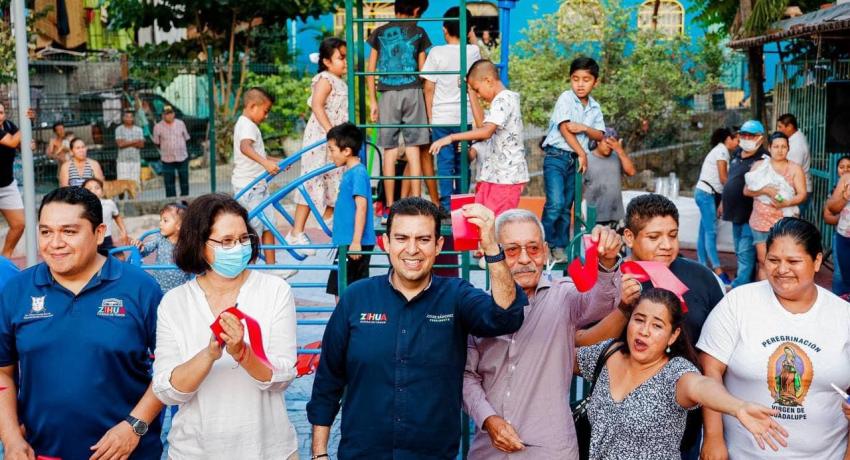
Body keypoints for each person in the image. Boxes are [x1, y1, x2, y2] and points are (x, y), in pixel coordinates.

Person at [307, 197, 528, 459]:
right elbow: (327, 382)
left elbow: (506, 317)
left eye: (423, 239)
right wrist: (319, 454)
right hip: (361, 453)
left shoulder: (456, 296)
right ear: (386, 243)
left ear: (438, 245)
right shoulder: (356, 298)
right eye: (401, 238)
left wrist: (491, 245)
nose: (412, 249)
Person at [0, 186, 164, 459]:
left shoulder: (140, 288)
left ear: (99, 233)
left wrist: (135, 426)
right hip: (44, 453)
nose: (55, 242)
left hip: (129, 453)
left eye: (69, 231)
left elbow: (171, 369)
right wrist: (11, 439)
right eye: (46, 232)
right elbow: (3, 372)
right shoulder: (17, 291)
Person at [463, 208, 634, 459]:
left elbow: (599, 302)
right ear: (495, 253)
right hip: (489, 449)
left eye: (532, 249)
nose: (524, 259)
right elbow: (466, 376)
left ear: (544, 251)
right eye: (511, 250)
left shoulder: (563, 295)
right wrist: (489, 420)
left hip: (551, 449)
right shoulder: (478, 307)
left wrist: (607, 263)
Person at [152, 194, 298, 459]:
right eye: (227, 241)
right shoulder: (175, 304)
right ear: (199, 243)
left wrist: (243, 352)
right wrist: (209, 354)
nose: (239, 247)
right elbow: (167, 389)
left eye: (244, 239)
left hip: (268, 450)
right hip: (194, 451)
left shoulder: (275, 291)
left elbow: (283, 375)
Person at [698, 217, 850, 460]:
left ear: (817, 260)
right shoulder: (738, 303)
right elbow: (710, 371)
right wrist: (713, 438)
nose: (782, 270)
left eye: (793, 261)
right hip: (743, 454)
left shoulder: (843, 316)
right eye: (773, 260)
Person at [577, 288, 787, 460]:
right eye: (639, 320)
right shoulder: (608, 353)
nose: (644, 331)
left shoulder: (675, 372)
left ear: (673, 335)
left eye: (657, 325)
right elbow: (556, 357)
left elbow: (701, 387)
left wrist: (737, 407)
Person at [622, 193, 726, 458]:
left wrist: (714, 435)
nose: (667, 245)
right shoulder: (615, 282)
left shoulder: (702, 278)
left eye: (673, 234)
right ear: (629, 237)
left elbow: (715, 358)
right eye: (654, 237)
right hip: (624, 421)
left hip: (689, 423)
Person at [430, 59, 528, 219]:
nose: (479, 95)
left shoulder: (504, 99)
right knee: (481, 220)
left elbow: (486, 131)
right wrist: (470, 92)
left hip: (506, 178)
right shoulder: (499, 101)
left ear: (488, 80)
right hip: (494, 175)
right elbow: (483, 123)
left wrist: (451, 138)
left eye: (478, 89)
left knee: (495, 224)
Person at [367, 0, 432, 216]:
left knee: (389, 149)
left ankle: (389, 205)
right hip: (413, 91)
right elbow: (423, 70)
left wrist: (373, 101)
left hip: (386, 93)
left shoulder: (379, 32)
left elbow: (370, 70)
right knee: (414, 147)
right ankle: (416, 199)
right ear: (415, 10)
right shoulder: (419, 32)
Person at [539, 57, 606, 263]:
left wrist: (585, 128)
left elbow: (600, 135)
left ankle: (559, 246)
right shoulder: (566, 98)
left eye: (586, 79)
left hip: (575, 162)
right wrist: (583, 153)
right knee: (555, 203)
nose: (580, 84)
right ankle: (542, 243)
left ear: (595, 82)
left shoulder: (594, 107)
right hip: (557, 157)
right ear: (570, 80)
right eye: (575, 79)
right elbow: (565, 128)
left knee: (567, 206)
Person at [288, 38, 348, 255]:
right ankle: (296, 232)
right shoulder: (325, 79)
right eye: (341, 58)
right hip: (321, 139)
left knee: (335, 176)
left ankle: (329, 217)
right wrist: (331, 132)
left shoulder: (340, 81)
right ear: (326, 61)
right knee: (312, 180)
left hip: (335, 141)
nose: (345, 62)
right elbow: (316, 105)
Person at [422, 6, 482, 212]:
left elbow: (429, 88)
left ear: (444, 29)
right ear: (468, 30)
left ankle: (447, 206)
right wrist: (470, 34)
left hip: (441, 118)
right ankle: (463, 204)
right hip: (464, 118)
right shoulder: (473, 51)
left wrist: (430, 118)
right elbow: (482, 58)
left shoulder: (436, 52)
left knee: (445, 163)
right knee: (463, 162)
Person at [231, 87, 289, 274]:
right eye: (265, 111)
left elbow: (255, 153)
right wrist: (265, 163)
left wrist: (274, 162)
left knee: (269, 225)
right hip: (249, 187)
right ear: (252, 106)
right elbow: (245, 147)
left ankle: (272, 268)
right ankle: (250, 270)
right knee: (253, 229)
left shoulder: (249, 125)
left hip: (259, 186)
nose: (266, 116)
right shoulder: (247, 125)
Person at [744, 132, 806, 281]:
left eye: (783, 146)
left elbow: (802, 194)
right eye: (776, 146)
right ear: (770, 148)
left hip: (784, 223)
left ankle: (780, 291)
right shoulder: (760, 166)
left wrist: (787, 203)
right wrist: (765, 190)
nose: (780, 150)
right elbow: (746, 191)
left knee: (782, 261)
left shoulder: (795, 169)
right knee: (763, 261)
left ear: (788, 148)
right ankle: (765, 296)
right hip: (760, 221)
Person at [324, 123, 376, 299]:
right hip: (348, 242)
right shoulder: (351, 172)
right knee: (340, 288)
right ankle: (346, 325)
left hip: (354, 244)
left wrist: (355, 242)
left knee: (347, 292)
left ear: (346, 151)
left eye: (332, 150)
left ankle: (349, 326)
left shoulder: (358, 173)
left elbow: (362, 207)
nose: (330, 155)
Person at [721, 119, 769, 288]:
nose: (746, 138)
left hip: (752, 216)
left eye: (751, 135)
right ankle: (746, 285)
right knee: (740, 251)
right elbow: (731, 179)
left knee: (745, 254)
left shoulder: (763, 160)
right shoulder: (737, 154)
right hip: (735, 214)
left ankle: (739, 288)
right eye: (743, 135)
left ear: (760, 138)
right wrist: (722, 202)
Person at [695, 127, 738, 284]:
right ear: (728, 139)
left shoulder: (721, 151)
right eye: (737, 139)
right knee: (711, 232)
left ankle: (701, 266)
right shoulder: (721, 152)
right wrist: (734, 190)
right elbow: (723, 178)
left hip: (705, 193)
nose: (739, 143)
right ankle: (717, 270)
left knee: (703, 232)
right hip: (706, 195)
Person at [133, 202, 192, 293]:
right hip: (159, 286)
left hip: (180, 289)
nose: (160, 224)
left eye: (165, 220)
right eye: (160, 220)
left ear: (179, 226)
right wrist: (141, 247)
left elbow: (195, 262)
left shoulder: (187, 243)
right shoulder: (160, 238)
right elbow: (146, 249)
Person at [583, 127, 636, 229]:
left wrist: (620, 150)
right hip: (595, 217)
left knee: (617, 244)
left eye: (612, 144)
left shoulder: (617, 156)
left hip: (617, 216)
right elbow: (580, 188)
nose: (609, 147)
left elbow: (631, 172)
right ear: (598, 142)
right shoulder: (587, 159)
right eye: (607, 143)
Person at [0, 103, 30, 258]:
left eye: (1, 112)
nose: (0, 115)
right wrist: (26, 122)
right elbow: (11, 141)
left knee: (19, 224)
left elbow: (19, 144)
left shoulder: (9, 125)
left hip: (6, 184)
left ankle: (5, 258)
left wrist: (27, 144)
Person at [776, 113, 812, 215]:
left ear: (790, 127)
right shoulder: (795, 138)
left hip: (798, 190)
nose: (778, 130)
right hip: (796, 189)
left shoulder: (796, 146)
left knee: (790, 224)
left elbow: (790, 172)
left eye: (780, 127)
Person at [825, 154, 850, 298]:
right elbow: (832, 209)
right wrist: (845, 197)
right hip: (844, 238)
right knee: (844, 279)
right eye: (842, 167)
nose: (845, 170)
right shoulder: (846, 179)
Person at [83, 178, 128, 256]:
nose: (93, 190)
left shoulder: (109, 204)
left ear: (102, 192)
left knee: (120, 257)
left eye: (97, 188)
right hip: (88, 241)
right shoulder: (81, 207)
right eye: (89, 189)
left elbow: (117, 217)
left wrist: (123, 231)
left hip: (106, 240)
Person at [153, 105, 190, 197]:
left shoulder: (180, 123)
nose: (168, 116)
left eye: (170, 113)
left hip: (182, 157)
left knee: (184, 181)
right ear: (162, 115)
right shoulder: (158, 127)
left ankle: (185, 202)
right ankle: (171, 203)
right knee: (169, 183)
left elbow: (186, 137)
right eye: (166, 114)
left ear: (173, 114)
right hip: (167, 158)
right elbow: (156, 142)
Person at [115, 110, 145, 183]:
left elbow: (141, 145)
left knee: (135, 184)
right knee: (122, 183)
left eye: (131, 117)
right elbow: (120, 145)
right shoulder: (119, 129)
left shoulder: (139, 130)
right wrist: (135, 141)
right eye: (127, 117)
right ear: (123, 118)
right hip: (123, 161)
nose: (129, 118)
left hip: (135, 160)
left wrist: (125, 142)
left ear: (133, 118)